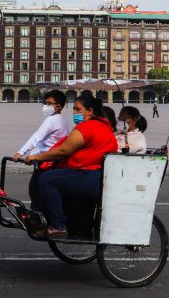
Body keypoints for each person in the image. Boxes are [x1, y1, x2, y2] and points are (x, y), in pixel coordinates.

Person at [24, 95, 118, 238]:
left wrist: (37, 157)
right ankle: (46, 219)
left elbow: (64, 150)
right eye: (74, 109)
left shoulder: (88, 126)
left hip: (88, 176)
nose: (74, 112)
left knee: (47, 180)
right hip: (98, 177)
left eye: (78, 109)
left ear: (90, 111)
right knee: (54, 177)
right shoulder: (104, 126)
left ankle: (58, 225)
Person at [12, 90, 71, 210]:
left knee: (35, 192)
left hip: (44, 161)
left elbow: (36, 137)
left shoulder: (51, 120)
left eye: (49, 103)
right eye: (45, 103)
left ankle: (37, 220)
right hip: (56, 161)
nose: (46, 106)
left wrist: (21, 152)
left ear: (58, 106)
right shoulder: (64, 121)